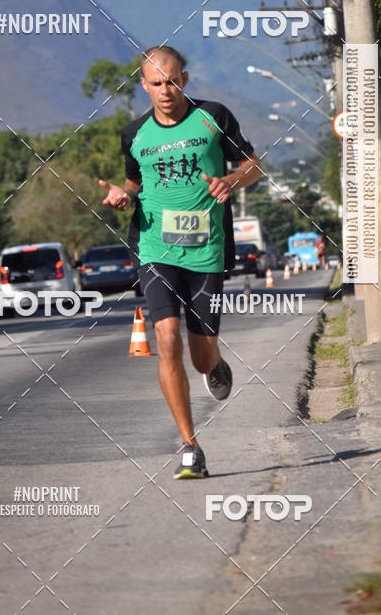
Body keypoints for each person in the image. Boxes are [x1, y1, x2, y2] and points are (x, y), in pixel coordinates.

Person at [99, 46, 261, 479]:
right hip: (155, 247)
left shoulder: (213, 117)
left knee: (200, 359)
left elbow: (253, 165)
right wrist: (122, 195)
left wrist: (230, 179)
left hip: (206, 247)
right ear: (144, 86)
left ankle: (215, 362)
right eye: (156, 84)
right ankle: (190, 446)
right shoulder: (134, 135)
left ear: (184, 80)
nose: (165, 90)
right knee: (166, 338)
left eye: (172, 81)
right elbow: (134, 182)